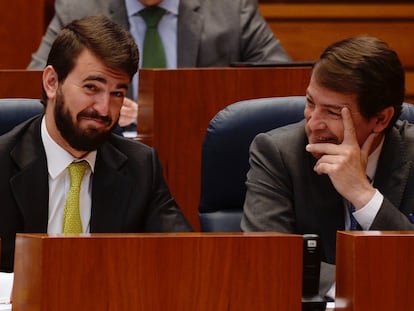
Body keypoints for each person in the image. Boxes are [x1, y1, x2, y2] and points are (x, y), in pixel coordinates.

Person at [0, 15, 192, 272]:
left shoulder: (141, 168)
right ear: (52, 82)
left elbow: (185, 259)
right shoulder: (2, 162)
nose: (104, 109)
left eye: (117, 94)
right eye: (92, 87)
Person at [241, 36, 414, 298]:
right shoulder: (277, 153)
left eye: (333, 113)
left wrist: (363, 196)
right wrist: (360, 287)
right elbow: (267, 258)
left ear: (380, 119)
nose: (313, 124)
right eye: (310, 103)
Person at [28, 0, 292, 131]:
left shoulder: (230, 8)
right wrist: (104, 106)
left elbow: (283, 86)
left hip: (200, 151)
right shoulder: (79, 7)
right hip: (107, 154)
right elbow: (34, 87)